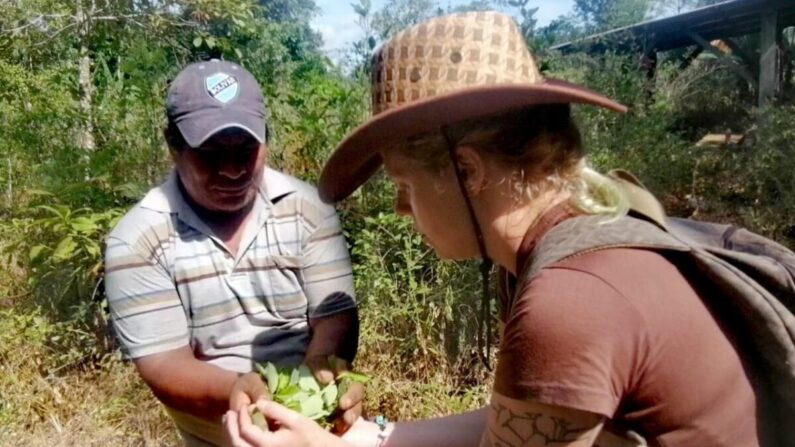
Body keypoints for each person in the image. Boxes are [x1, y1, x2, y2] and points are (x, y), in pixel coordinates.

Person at [224, 11, 760, 447]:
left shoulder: (568, 301)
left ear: (466, 171)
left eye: (405, 183)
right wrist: (363, 438)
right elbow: (519, 419)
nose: (400, 209)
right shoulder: (571, 245)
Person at [104, 59, 362, 447]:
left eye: (245, 150)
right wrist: (238, 391)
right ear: (173, 147)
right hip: (217, 434)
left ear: (266, 141)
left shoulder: (308, 209)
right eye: (209, 152)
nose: (231, 170)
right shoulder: (138, 239)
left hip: (317, 427)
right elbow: (163, 364)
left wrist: (320, 372)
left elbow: (335, 317)